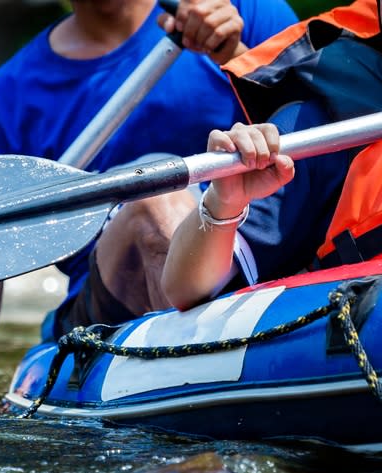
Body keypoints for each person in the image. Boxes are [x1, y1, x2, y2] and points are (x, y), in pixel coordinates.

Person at [0, 0, 297, 395]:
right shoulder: (11, 96)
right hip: (114, 299)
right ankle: (210, 385)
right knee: (156, 195)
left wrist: (238, 59)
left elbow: (322, 123)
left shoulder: (246, 12)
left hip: (259, 254)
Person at [163, 0, 382, 309]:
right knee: (155, 209)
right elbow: (184, 289)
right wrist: (224, 202)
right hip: (353, 339)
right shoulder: (315, 128)